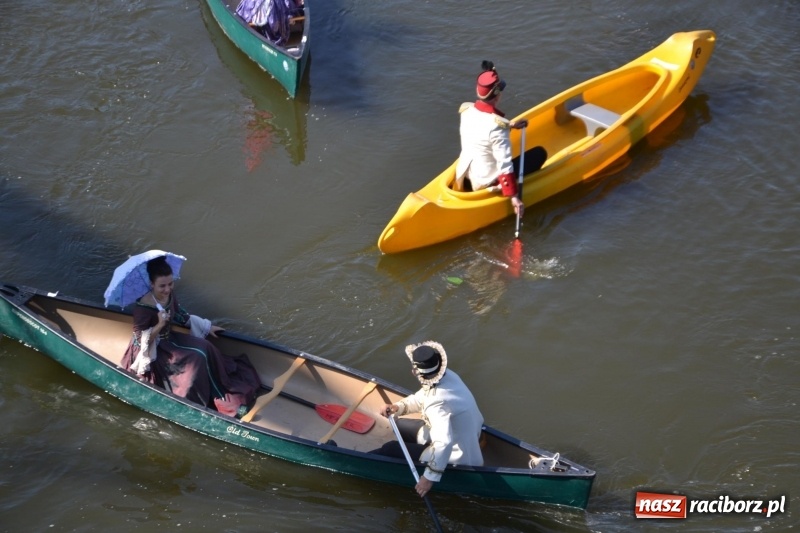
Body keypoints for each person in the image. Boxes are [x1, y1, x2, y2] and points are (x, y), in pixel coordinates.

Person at [120, 256, 261, 417]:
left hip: (170, 340)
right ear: (152, 284)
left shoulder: (169, 295)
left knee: (205, 346)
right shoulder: (142, 308)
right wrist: (159, 324)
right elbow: (139, 341)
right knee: (196, 359)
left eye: (170, 284)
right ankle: (209, 404)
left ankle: (224, 397)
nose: (167, 289)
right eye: (162, 286)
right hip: (153, 351)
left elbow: (179, 314)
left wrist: (207, 327)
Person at [372, 341, 484, 498]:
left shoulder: (437, 404)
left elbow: (444, 443)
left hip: (458, 452)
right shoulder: (448, 376)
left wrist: (429, 478)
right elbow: (423, 397)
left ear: (416, 372)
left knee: (390, 448)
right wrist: (399, 407)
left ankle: (358, 460)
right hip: (465, 434)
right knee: (400, 424)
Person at [455, 61, 545, 218]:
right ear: (497, 95)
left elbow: (482, 128)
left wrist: (509, 125)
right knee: (539, 153)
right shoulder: (497, 127)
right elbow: (505, 165)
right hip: (484, 182)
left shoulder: (466, 110)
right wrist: (514, 198)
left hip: (464, 174)